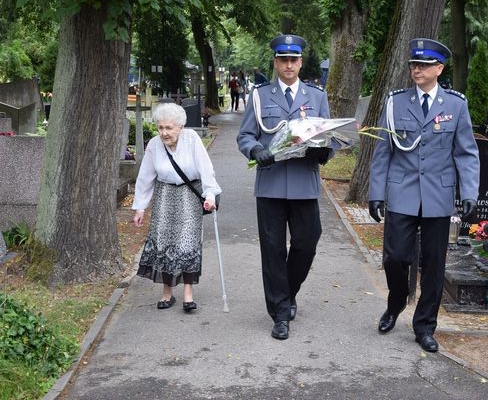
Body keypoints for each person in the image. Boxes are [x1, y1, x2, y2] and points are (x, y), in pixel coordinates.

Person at [368, 38, 480, 352]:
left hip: (437, 196)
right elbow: (383, 151)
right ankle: (395, 302)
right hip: (402, 191)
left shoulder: (456, 105)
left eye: (424, 65)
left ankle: (424, 326)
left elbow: (466, 153)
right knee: (395, 257)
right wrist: (376, 192)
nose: (417, 70)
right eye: (413, 65)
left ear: (439, 69)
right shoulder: (395, 102)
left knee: (433, 264)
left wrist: (469, 192)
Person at [237, 34, 337, 340]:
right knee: (273, 251)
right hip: (270, 185)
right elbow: (245, 136)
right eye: (283, 59)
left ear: (301, 62)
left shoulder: (316, 97)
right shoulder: (259, 95)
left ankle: (288, 291)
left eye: (294, 60)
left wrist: (324, 152)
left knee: (307, 243)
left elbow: (328, 135)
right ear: (276, 62)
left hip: (304, 183)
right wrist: (256, 150)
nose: (288, 65)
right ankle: (280, 313)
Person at [132, 102, 221, 312]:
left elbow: (206, 169)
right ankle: (167, 292)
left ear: (180, 126)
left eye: (168, 128)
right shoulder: (154, 144)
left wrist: (210, 195)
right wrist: (140, 207)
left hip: (189, 195)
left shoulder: (192, 139)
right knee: (164, 242)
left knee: (187, 242)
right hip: (164, 194)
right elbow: (145, 176)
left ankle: (188, 294)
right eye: (160, 127)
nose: (164, 132)